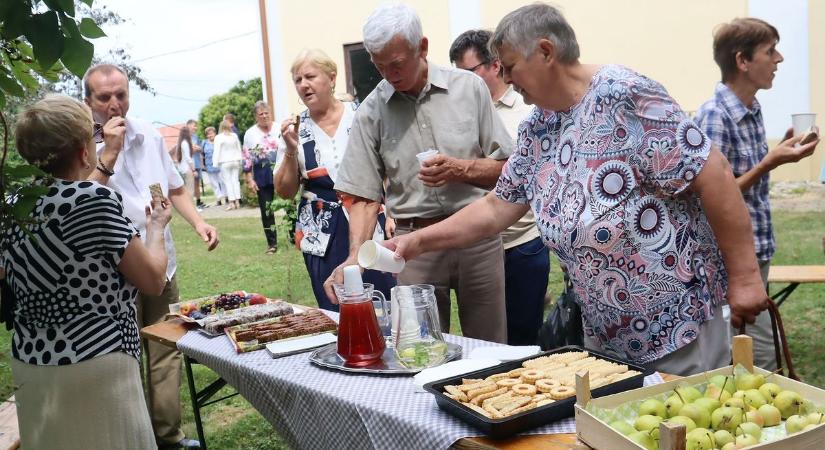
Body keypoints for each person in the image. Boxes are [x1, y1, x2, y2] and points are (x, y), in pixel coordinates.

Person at [385, 4, 770, 376]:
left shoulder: (624, 94)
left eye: (510, 65)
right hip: (605, 333)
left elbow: (712, 172)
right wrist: (418, 241)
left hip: (675, 324)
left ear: (546, 52)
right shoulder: (538, 127)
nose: (505, 77)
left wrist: (747, 277)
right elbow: (495, 207)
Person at [326, 3, 514, 343]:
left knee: (491, 346)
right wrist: (355, 255)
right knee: (420, 349)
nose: (389, 75)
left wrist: (461, 169)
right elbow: (365, 197)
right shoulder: (371, 112)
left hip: (477, 236)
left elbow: (509, 171)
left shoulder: (469, 88)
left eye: (396, 64)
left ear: (422, 48)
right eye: (379, 66)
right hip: (412, 248)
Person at [2, 94, 171, 449]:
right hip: (96, 359)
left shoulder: (13, 206)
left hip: (32, 361)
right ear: (82, 151)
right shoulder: (93, 201)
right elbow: (154, 279)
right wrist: (156, 226)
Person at [84, 63, 218, 449]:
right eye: (105, 97)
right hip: (112, 268)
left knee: (165, 348)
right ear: (88, 101)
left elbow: (175, 189)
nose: (115, 104)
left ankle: (168, 437)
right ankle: (132, 438)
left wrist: (198, 223)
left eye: (121, 95)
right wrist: (106, 149)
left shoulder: (147, 134)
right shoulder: (80, 143)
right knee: (121, 357)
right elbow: (82, 199)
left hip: (160, 260)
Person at [694, 18, 820, 371]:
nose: (779, 59)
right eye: (770, 51)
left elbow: (739, 179)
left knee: (751, 344)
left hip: (757, 250)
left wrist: (779, 152)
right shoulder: (715, 116)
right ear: (742, 61)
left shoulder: (750, 108)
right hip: (729, 258)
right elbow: (711, 197)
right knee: (759, 352)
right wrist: (768, 163)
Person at [450, 29, 550, 346]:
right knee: (484, 341)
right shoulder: (460, 113)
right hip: (476, 245)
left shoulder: (530, 110)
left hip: (520, 244)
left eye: (468, 72)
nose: (461, 82)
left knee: (522, 338)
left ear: (495, 65)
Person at [275, 49, 395, 310]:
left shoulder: (362, 113)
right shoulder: (295, 128)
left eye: (310, 76)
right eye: (297, 80)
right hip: (321, 231)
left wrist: (393, 213)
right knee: (334, 305)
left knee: (383, 299)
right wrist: (290, 150)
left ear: (331, 78)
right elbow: (284, 191)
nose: (303, 85)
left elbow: (389, 168)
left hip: (370, 220)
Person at [243, 101, 279, 254]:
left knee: (291, 205)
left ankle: (294, 237)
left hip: (281, 170)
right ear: (255, 116)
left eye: (266, 113)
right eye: (261, 114)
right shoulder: (250, 134)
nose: (264, 116)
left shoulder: (279, 128)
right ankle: (272, 243)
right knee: (266, 209)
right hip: (261, 174)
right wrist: (249, 178)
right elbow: (246, 157)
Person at [213, 120, 243, 211]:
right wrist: (240, 160)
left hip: (225, 162)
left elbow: (217, 151)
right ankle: (237, 201)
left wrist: (215, 163)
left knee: (228, 182)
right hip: (235, 161)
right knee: (235, 181)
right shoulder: (234, 136)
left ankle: (231, 203)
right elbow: (239, 148)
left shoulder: (218, 137)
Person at [202, 126, 227, 206]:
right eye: (208, 134)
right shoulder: (204, 143)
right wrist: (203, 165)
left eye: (211, 133)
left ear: (215, 133)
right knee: (214, 184)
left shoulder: (219, 141)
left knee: (223, 181)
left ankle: (226, 196)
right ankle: (219, 199)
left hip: (219, 165)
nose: (210, 135)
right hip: (209, 166)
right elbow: (202, 155)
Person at [186, 120, 206, 210]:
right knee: (191, 185)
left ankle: (198, 201)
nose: (196, 128)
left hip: (197, 163)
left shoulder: (196, 137)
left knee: (197, 184)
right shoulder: (185, 137)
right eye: (194, 126)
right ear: (188, 126)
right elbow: (186, 151)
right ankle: (190, 204)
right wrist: (193, 149)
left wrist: (198, 148)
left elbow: (201, 149)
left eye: (196, 126)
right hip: (190, 164)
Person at [172, 126, 196, 198]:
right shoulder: (185, 143)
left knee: (187, 189)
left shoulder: (180, 143)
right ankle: (192, 207)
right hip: (187, 169)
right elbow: (188, 158)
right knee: (190, 190)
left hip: (182, 168)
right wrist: (193, 170)